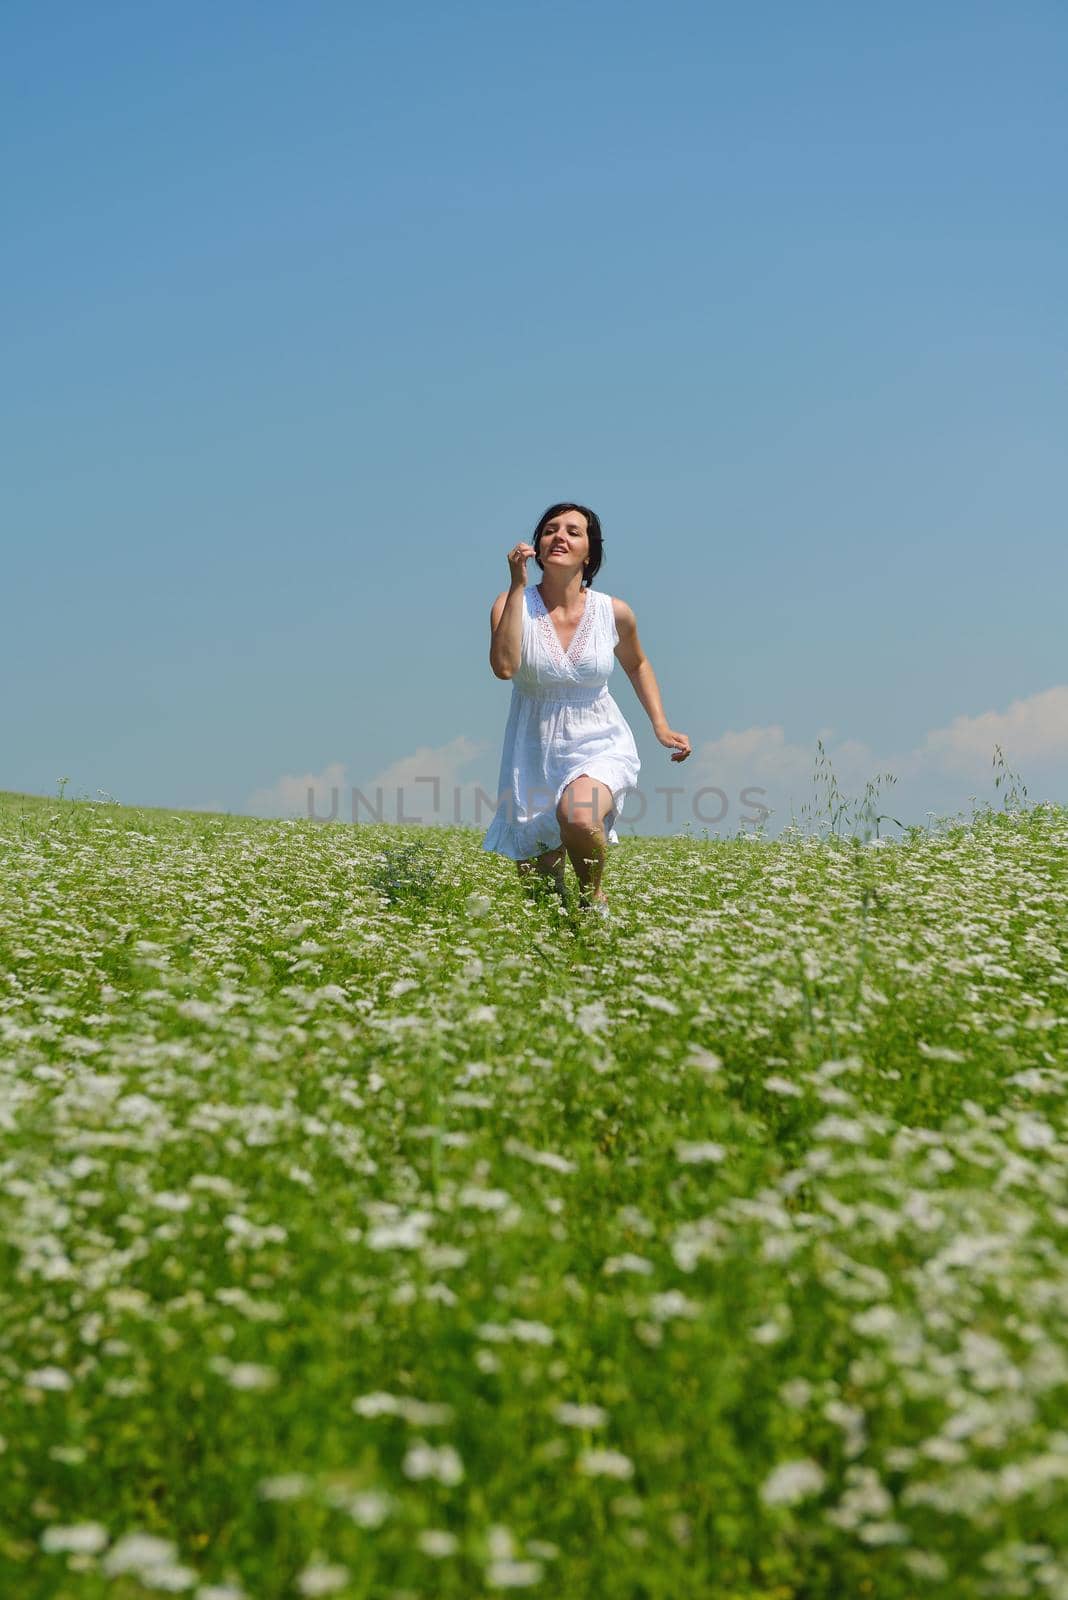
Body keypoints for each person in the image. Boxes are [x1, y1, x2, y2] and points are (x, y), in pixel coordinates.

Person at [482, 501, 691, 918]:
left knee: (578, 817)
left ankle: (592, 898)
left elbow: (637, 663)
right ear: (537, 547)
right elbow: (504, 668)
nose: (559, 536)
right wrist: (518, 586)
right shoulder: (511, 603)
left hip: (598, 739)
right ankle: (572, 951)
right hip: (533, 749)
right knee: (540, 893)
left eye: (573, 531)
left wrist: (661, 725)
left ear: (589, 552)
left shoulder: (613, 612)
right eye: (550, 530)